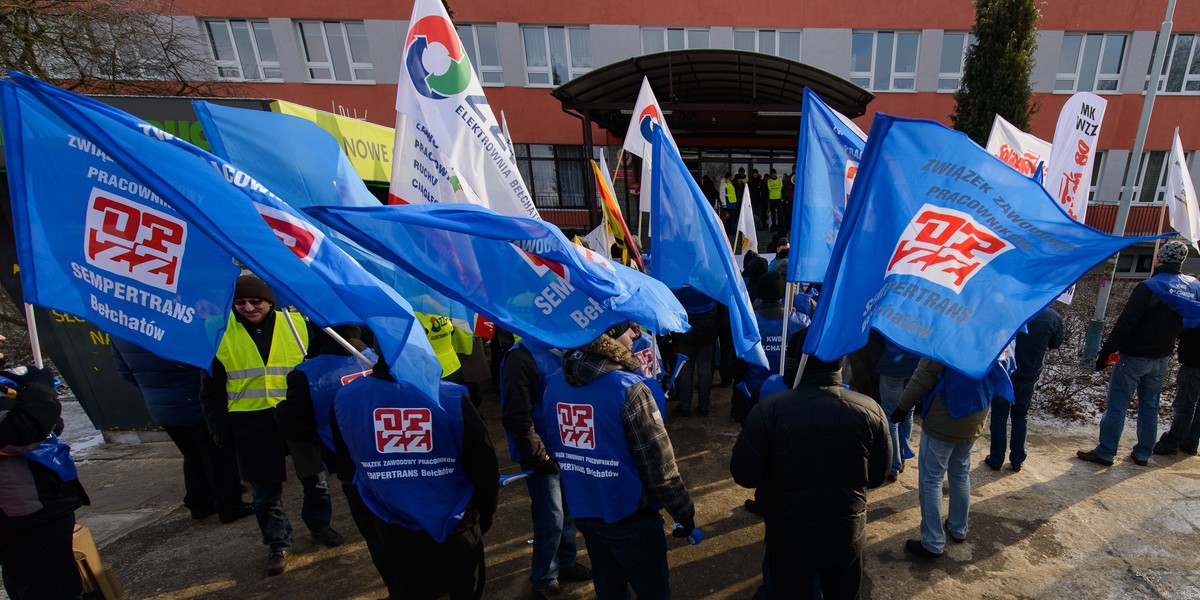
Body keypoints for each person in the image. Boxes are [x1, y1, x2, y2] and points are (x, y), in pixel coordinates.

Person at [538, 323, 697, 600]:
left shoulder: (554, 384)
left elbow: (554, 446)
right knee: (652, 590)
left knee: (608, 584)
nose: (636, 335)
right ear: (607, 337)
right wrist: (684, 513)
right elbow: (659, 467)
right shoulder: (629, 389)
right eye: (628, 329)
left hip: (585, 509)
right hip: (631, 514)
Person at [200, 275, 343, 577]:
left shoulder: (297, 324)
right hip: (249, 421)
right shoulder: (219, 332)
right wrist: (218, 427)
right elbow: (210, 388)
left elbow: (320, 371)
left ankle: (320, 526)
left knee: (316, 481)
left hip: (296, 417)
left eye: (256, 301)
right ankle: (278, 544)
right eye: (241, 302)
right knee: (265, 493)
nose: (249, 307)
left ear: (269, 301)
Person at [730, 337, 889, 599]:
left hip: (789, 538)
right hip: (844, 537)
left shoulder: (768, 410)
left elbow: (745, 474)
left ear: (796, 362)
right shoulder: (870, 410)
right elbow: (877, 476)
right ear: (840, 364)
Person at [334, 358, 499, 600]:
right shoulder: (451, 396)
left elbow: (347, 469)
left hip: (392, 524)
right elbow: (484, 466)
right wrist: (484, 516)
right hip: (456, 522)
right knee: (466, 590)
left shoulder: (346, 398)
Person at [274, 325, 402, 595]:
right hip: (399, 457)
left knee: (378, 537)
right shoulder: (383, 357)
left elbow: (299, 429)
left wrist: (283, 411)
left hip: (353, 470)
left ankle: (399, 589)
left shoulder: (305, 374)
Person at [1078, 241, 1200, 467]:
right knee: (1149, 406)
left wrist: (1105, 353)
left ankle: (1106, 451)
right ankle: (1143, 453)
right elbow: (1190, 322)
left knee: (1117, 405)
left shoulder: (1149, 287)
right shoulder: (1192, 287)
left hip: (1133, 357)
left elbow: (1126, 324)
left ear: (1159, 259)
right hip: (1162, 358)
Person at [111, 339, 254, 523]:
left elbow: (125, 372)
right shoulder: (171, 325)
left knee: (192, 456)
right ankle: (230, 506)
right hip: (193, 401)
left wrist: (152, 393)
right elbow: (198, 363)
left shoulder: (120, 331)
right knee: (218, 457)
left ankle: (199, 504)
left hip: (161, 407)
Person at [893, 347, 1015, 559]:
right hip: (976, 413)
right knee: (960, 472)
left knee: (931, 479)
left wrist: (902, 407)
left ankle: (932, 542)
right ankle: (959, 528)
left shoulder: (951, 334)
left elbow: (924, 376)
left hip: (944, 418)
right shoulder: (997, 336)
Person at [500, 340, 592, 599]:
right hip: (540, 455)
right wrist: (539, 458)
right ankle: (544, 578)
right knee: (550, 516)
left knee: (569, 511)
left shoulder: (565, 346)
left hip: (568, 448)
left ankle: (566, 562)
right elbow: (517, 415)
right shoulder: (520, 357)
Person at [0, 353, 89, 600]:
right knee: (51, 587)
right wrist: (41, 390)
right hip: (23, 510)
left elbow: (31, 423)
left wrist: (44, 416)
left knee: (37, 579)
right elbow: (17, 435)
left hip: (32, 503)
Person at [986, 306, 1063, 471]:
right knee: (1021, 415)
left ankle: (996, 458)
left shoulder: (1009, 310)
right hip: (1029, 373)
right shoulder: (1052, 316)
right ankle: (1017, 459)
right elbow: (1056, 343)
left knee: (999, 416)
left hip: (1004, 372)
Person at [730, 271, 809, 424]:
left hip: (755, 396)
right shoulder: (802, 323)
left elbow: (736, 363)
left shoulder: (749, 324)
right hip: (792, 397)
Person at [875, 335, 921, 482]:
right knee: (908, 411)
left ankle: (894, 465)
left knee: (891, 415)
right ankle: (901, 456)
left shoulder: (891, 311)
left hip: (892, 367)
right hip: (916, 364)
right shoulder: (922, 311)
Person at [671, 286, 720, 417]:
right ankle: (704, 406)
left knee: (686, 367)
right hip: (708, 327)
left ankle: (684, 406)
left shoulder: (680, 281)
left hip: (686, 327)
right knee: (704, 367)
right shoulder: (708, 279)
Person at [1155, 326, 1200, 456]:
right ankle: (1190, 441)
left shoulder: (1196, 310)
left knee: (1185, 405)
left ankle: (1173, 441)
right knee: (1195, 406)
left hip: (1194, 363)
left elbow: (1185, 331)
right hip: (1194, 363)